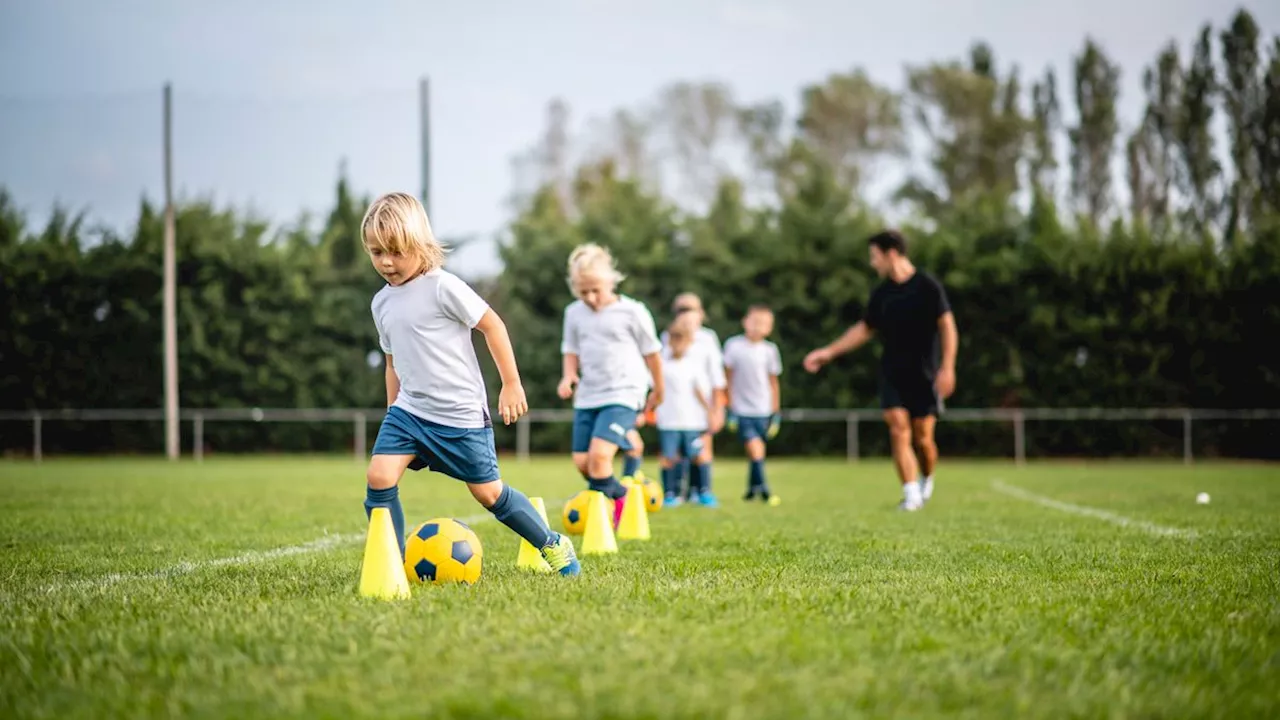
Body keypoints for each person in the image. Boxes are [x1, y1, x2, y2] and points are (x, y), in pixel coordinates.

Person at [361, 192, 579, 576]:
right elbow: (392, 361)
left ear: (419, 244)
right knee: (379, 476)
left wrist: (511, 384)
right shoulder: (381, 303)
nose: (387, 262)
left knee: (488, 494)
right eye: (377, 252)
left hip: (459, 415)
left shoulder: (443, 286)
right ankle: (392, 563)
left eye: (396, 251)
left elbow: (492, 324)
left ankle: (552, 543)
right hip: (409, 412)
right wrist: (392, 408)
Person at [803, 229, 958, 512]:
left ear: (892, 253)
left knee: (923, 438)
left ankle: (927, 477)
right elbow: (864, 329)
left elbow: (947, 326)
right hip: (892, 372)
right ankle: (910, 495)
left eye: (875, 257)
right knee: (898, 429)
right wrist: (828, 352)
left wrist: (947, 367)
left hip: (925, 373)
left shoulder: (927, 286)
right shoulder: (881, 294)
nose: (873, 263)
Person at [558, 244, 664, 528]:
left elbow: (652, 353)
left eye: (596, 290)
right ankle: (623, 495)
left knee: (599, 457)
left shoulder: (633, 312)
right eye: (583, 292)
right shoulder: (574, 313)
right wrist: (568, 376)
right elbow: (570, 350)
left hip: (624, 392)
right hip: (588, 395)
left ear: (611, 280)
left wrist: (659, 389)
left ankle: (607, 522)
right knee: (583, 462)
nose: (590, 297)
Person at [660, 292, 727, 507]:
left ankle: (701, 491)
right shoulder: (667, 338)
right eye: (681, 310)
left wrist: (716, 410)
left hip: (699, 410)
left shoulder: (708, 339)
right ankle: (675, 492)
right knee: (675, 453)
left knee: (701, 450)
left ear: (701, 313)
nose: (686, 314)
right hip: (672, 410)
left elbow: (717, 379)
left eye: (691, 309)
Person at [722, 305, 783, 505]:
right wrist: (729, 407)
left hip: (763, 409)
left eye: (763, 324)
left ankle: (751, 489)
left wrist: (775, 412)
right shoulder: (734, 346)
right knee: (755, 449)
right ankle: (764, 489)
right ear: (745, 322)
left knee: (756, 452)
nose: (758, 327)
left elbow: (773, 382)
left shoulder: (769, 350)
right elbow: (727, 378)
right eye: (754, 322)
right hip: (742, 409)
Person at [654, 313, 714, 503]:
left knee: (698, 456)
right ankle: (670, 493)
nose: (678, 344)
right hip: (669, 420)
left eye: (682, 340)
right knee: (669, 457)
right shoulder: (662, 365)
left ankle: (703, 492)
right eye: (674, 339)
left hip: (693, 421)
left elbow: (700, 392)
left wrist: (710, 412)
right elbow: (656, 390)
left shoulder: (694, 366)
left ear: (689, 342)